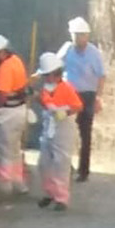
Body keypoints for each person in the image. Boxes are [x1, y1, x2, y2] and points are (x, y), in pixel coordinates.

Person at [33, 52, 83, 211]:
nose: (46, 78)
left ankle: (61, 198)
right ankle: (49, 193)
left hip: (64, 128)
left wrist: (64, 112)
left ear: (56, 74)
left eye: (48, 75)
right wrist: (36, 98)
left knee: (61, 163)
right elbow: (46, 103)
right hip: (50, 127)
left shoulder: (66, 88)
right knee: (44, 163)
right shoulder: (47, 89)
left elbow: (77, 106)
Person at [58, 17, 106, 182]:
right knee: (64, 131)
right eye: (76, 35)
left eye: (82, 35)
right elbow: (56, 67)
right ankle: (65, 166)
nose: (79, 38)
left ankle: (83, 171)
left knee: (85, 133)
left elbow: (101, 76)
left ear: (87, 36)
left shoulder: (94, 53)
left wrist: (98, 97)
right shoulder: (67, 49)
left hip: (87, 95)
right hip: (68, 95)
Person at [0, 33, 29, 194]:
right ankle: (18, 183)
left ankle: (4, 186)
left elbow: (2, 95)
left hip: (6, 113)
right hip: (19, 110)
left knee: (3, 150)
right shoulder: (15, 60)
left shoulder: (5, 69)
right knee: (15, 150)